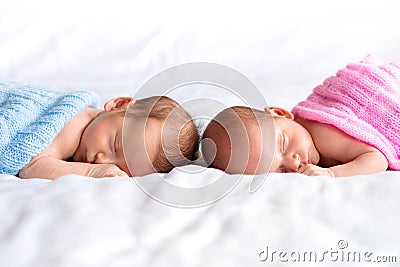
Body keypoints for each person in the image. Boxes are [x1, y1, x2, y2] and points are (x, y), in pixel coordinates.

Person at [202, 55, 400, 177]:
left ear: (280, 113)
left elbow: (377, 159)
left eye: (283, 144)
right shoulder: (304, 140)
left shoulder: (324, 134)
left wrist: (331, 173)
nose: (293, 161)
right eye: (281, 169)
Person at [0, 80, 199, 179]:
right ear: (118, 104)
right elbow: (31, 166)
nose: (102, 160)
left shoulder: (92, 130)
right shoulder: (72, 124)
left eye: (120, 167)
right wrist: (92, 172)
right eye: (114, 145)